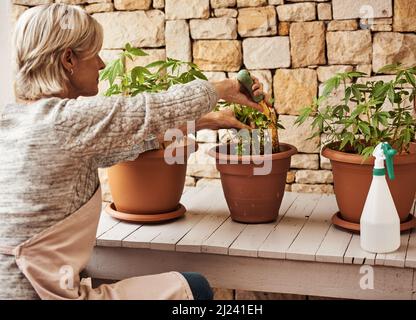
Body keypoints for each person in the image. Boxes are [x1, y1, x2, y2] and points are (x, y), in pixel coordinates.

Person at [0, 3, 265, 300]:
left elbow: (124, 143)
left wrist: (207, 120)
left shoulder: (16, 122)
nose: (101, 64)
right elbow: (147, 112)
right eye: (94, 53)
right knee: (194, 289)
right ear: (68, 59)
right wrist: (227, 87)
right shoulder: (65, 122)